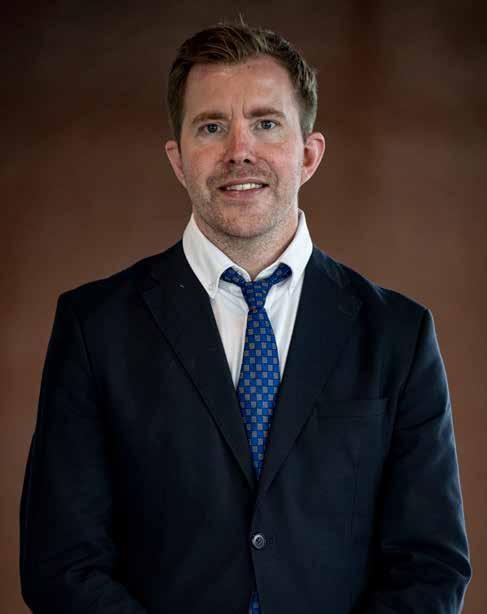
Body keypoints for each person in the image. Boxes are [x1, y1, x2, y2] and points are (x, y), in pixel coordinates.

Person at [19, 20, 471, 614]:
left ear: (308, 154)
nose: (239, 150)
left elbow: (430, 566)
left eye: (265, 123)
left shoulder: (398, 335)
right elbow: (61, 563)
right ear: (178, 160)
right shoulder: (93, 327)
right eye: (212, 126)